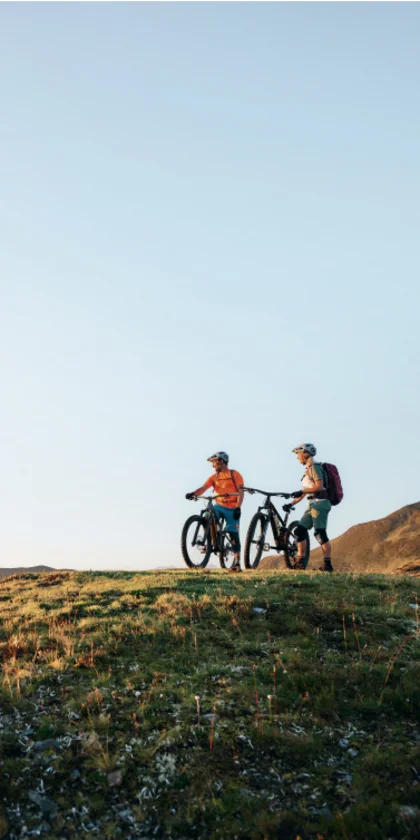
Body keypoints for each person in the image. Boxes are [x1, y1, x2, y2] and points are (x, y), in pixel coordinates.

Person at [186, 452, 244, 572]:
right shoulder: (214, 477)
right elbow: (203, 488)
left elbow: (241, 491)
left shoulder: (235, 474)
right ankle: (210, 540)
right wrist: (193, 493)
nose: (212, 465)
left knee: (233, 533)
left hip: (232, 507)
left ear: (221, 461)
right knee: (207, 515)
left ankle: (237, 563)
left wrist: (238, 507)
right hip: (219, 505)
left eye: (214, 462)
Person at [288, 444, 333, 572]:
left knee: (319, 533)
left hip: (320, 503)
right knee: (299, 531)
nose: (297, 458)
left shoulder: (314, 467)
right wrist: (291, 504)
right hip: (312, 503)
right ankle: (300, 562)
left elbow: (319, 487)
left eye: (298, 454)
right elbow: (306, 491)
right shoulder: (308, 468)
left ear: (306, 453)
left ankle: (327, 565)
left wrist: (301, 491)